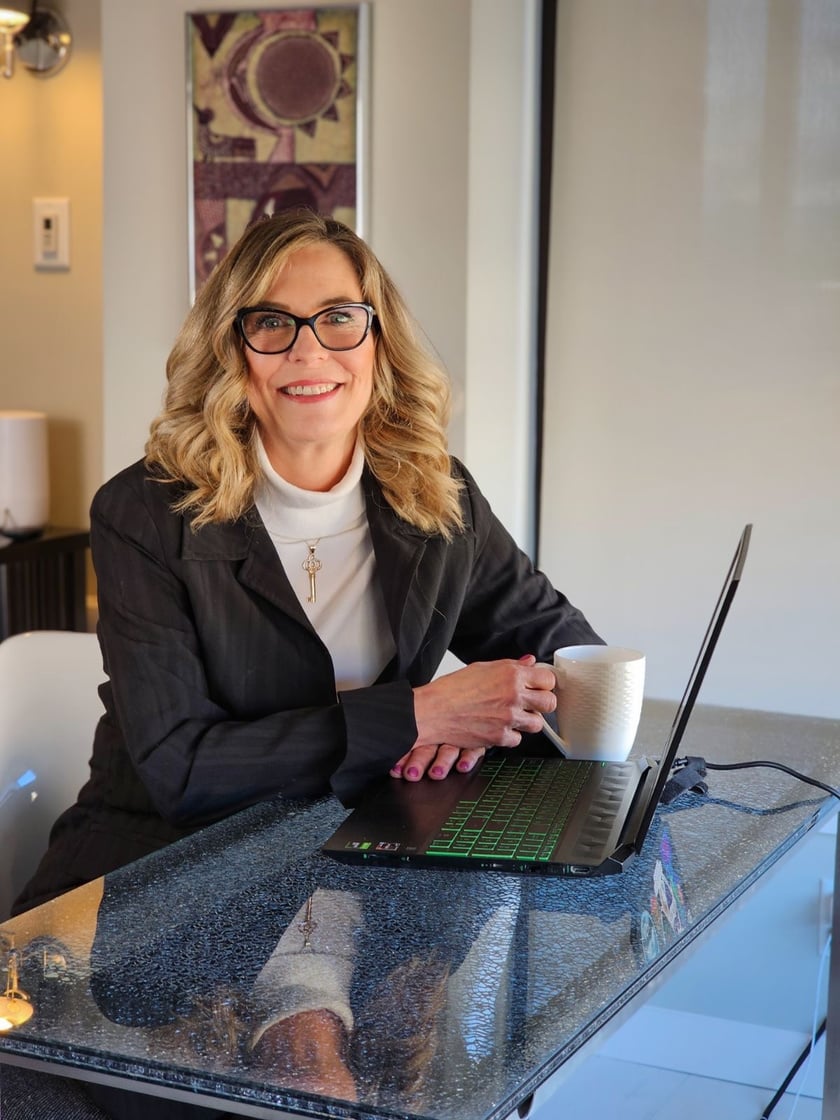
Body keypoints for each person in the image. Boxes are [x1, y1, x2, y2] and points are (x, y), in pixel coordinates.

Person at [13, 208, 601, 918]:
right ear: (231, 349)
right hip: (163, 866)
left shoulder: (437, 493)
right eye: (271, 323)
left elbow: (569, 657)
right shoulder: (143, 514)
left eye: (339, 318)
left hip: (358, 852)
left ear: (379, 339)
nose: (309, 351)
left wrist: (477, 724)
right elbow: (183, 768)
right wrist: (418, 717)